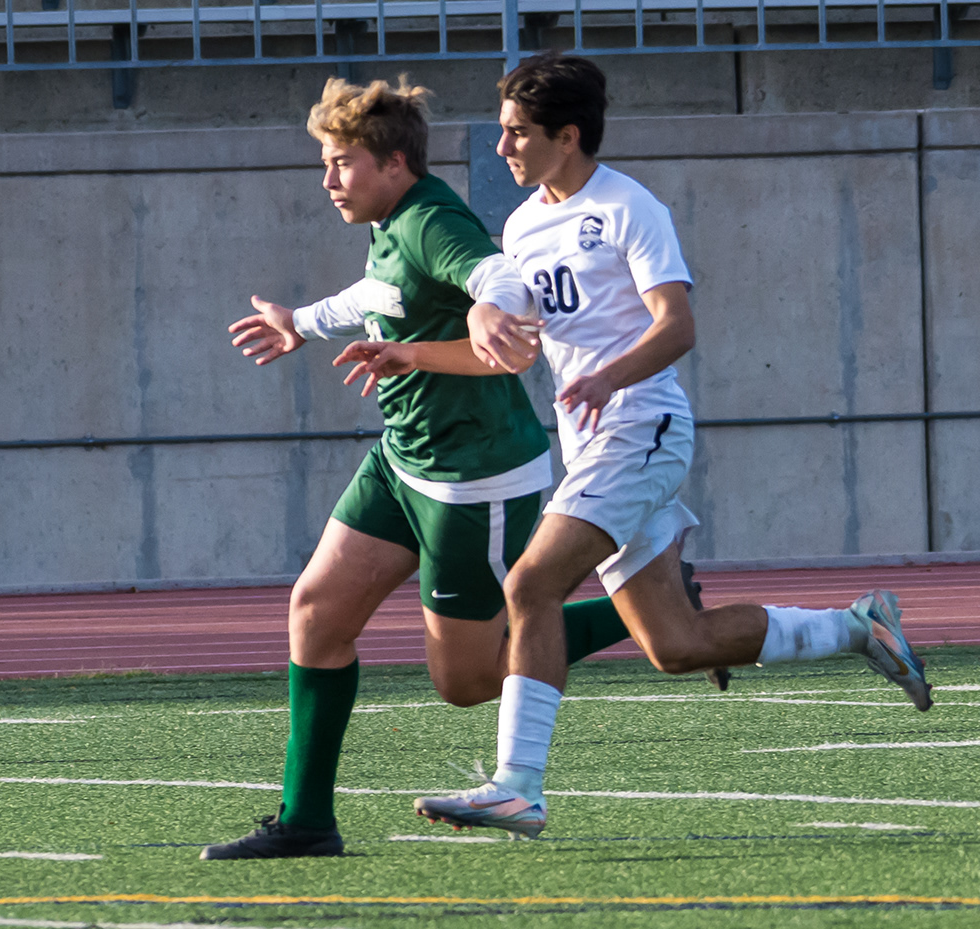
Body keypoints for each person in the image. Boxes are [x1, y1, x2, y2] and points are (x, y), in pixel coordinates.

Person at [397, 52, 933, 841]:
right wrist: (407, 352)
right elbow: (510, 349)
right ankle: (861, 626)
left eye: (518, 132)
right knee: (677, 645)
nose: (503, 146)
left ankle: (517, 787)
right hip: (594, 446)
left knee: (532, 584)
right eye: (504, 130)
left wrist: (607, 378)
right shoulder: (521, 225)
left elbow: (676, 326)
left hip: (641, 429)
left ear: (567, 136)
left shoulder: (628, 208)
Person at [201, 74, 639, 860]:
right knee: (316, 612)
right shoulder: (393, 221)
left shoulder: (433, 219)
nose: (328, 179)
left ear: (394, 162)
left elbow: (496, 274)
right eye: (326, 163)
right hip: (402, 461)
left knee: (464, 681)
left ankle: (636, 613)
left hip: (473, 479)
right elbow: (379, 294)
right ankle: (307, 820)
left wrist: (489, 306)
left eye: (341, 163)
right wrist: (302, 322)